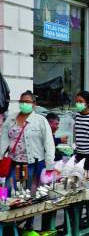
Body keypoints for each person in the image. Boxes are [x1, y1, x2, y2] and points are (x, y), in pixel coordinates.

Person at [0, 91, 55, 228]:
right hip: (14, 163)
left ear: (34, 104)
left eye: (27, 102)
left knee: (31, 197)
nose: (24, 104)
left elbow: (49, 144)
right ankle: (7, 225)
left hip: (34, 165)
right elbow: (3, 140)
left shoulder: (40, 121)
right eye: (22, 101)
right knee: (5, 194)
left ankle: (28, 226)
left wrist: (49, 166)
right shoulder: (11, 119)